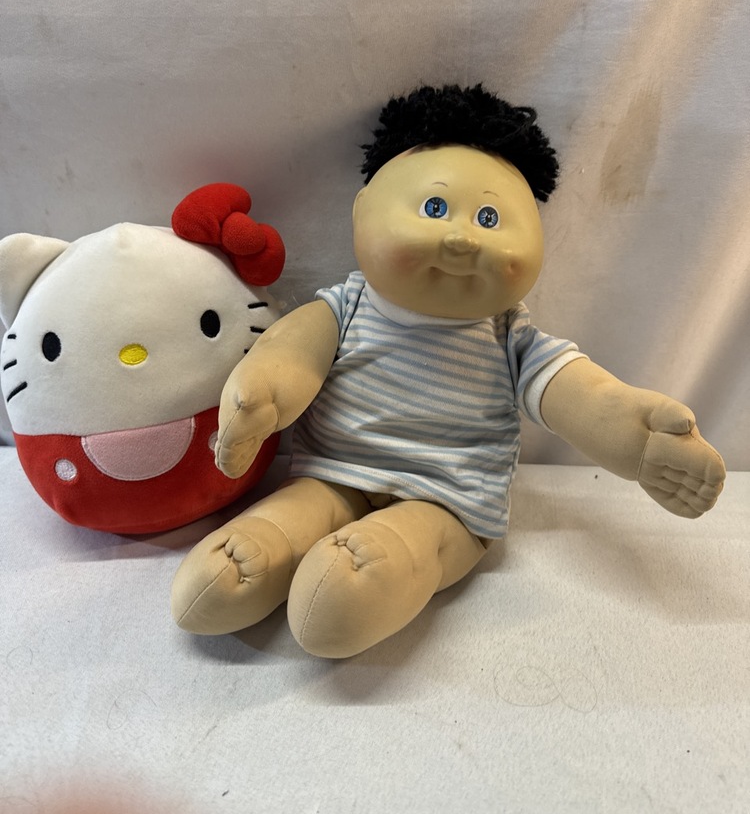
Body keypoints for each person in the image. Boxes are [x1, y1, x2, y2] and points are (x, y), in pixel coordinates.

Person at [171, 84, 725, 657]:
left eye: (489, 218)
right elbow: (292, 352)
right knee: (293, 515)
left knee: (418, 543)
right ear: (363, 212)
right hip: (334, 473)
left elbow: (579, 394)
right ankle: (259, 551)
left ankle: (385, 571)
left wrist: (638, 442)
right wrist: (261, 398)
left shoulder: (510, 335)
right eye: (435, 209)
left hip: (451, 501)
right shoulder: (348, 306)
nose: (462, 239)